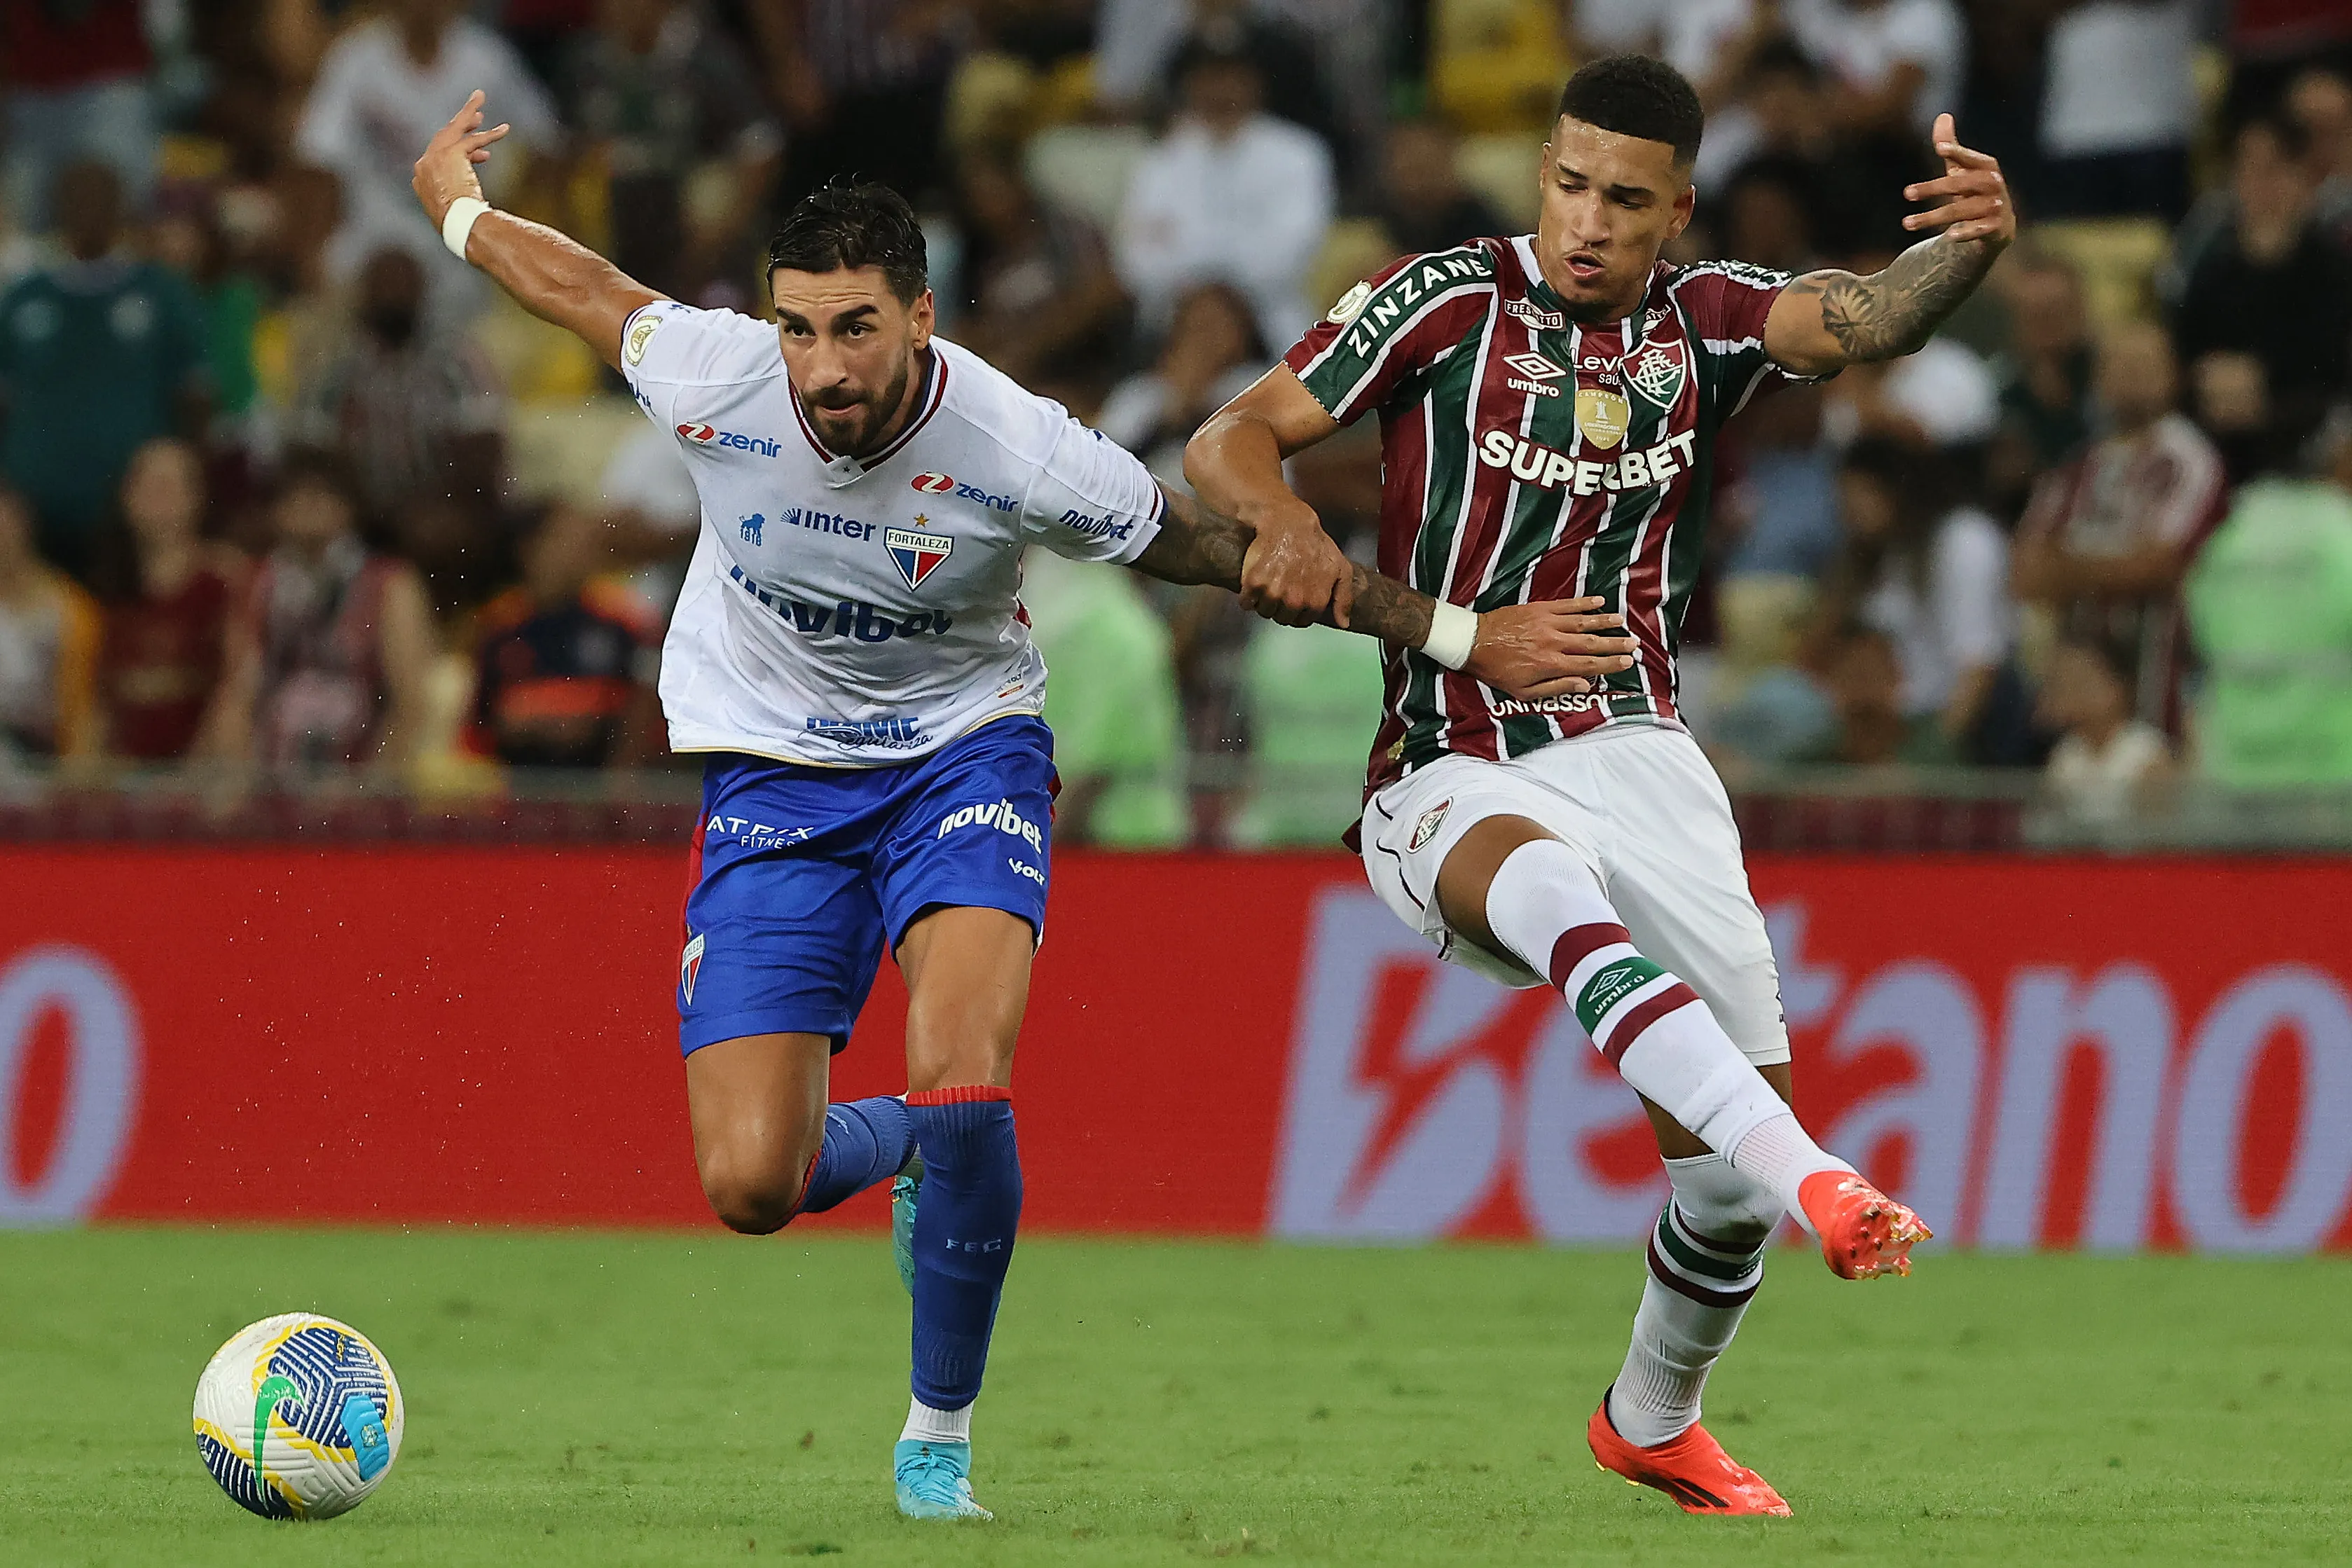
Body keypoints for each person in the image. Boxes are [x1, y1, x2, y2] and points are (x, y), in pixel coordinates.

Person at [411, 95, 1631, 1520]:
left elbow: (1199, 546)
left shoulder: (1016, 445)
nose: (821, 366)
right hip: (772, 776)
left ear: (921, 316)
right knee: (752, 1182)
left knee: (965, 1071)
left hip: (959, 758)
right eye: (798, 327)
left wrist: (1443, 632)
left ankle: (937, 1436)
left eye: (854, 327)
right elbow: (579, 287)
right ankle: (935, 1147)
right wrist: (454, 207)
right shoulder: (710, 375)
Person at [1185, 55, 2019, 1515]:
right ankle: (1830, 1177)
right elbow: (1226, 435)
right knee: (1554, 893)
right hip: (1442, 769)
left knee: (1721, 1193)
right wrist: (1278, 518)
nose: (1584, 218)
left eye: (1622, 198)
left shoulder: (1702, 323)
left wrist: (1965, 249)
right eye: (1567, 182)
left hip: (1645, 759)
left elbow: (1866, 314)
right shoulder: (1441, 300)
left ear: (1674, 209)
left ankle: (1651, 1414)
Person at [0, 160, 210, 584]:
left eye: (99, 198)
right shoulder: (23, 297)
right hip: (39, 505)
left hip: (132, 519)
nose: (87, 209)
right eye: (74, 198)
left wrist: (175, 481)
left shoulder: (159, 292)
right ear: (55, 208)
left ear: (122, 207)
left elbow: (197, 395)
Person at [2012, 321, 2226, 732]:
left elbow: (2161, 564)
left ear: (2173, 377)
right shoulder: (2077, 467)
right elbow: (2027, 572)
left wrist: (2072, 566)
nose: (2131, 378)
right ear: (2099, 377)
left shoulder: (2189, 460)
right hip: (2076, 692)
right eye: (2120, 365)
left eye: (2145, 366)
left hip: (2159, 678)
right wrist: (2115, 566)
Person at [206, 451, 434, 778]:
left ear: (351, 506)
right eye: (295, 495)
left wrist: (372, 788)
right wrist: (240, 784)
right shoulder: (257, 582)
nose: (309, 503)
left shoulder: (389, 584)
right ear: (275, 510)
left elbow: (411, 701)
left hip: (360, 771)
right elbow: (236, 697)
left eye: (324, 493)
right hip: (272, 771)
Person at [1114, 41, 1335, 348]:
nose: (1219, 88)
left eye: (1230, 76)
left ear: (1254, 82)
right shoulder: (1162, 160)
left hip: (1267, 329)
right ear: (1189, 84)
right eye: (1207, 77)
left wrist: (1188, 253)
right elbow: (1135, 262)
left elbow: (1286, 258)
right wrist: (1209, 274)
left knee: (1214, 315)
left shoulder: (1297, 153)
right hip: (1172, 328)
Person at [469, 502, 661, 769]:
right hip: (514, 788)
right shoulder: (499, 625)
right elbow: (479, 722)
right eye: (566, 538)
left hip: (601, 785)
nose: (579, 549)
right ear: (529, 548)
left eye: (584, 539)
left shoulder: (624, 620)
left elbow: (644, 711)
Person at [93, 439, 244, 763]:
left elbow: (236, 684)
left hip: (201, 767)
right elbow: (99, 698)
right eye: (146, 485)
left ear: (197, 497)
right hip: (125, 771)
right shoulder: (112, 591)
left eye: (169, 486)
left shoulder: (225, 580)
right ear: (125, 498)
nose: (157, 498)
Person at [0, 480, 100, 762]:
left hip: (45, 762)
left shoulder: (70, 608)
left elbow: (84, 708)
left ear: (25, 526)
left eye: (5, 527)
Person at [2035, 635, 2171, 824]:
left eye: (2082, 681)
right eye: (2062, 682)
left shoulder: (2146, 753)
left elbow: (2156, 832)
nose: (2071, 691)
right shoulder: (2065, 755)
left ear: (2117, 687)